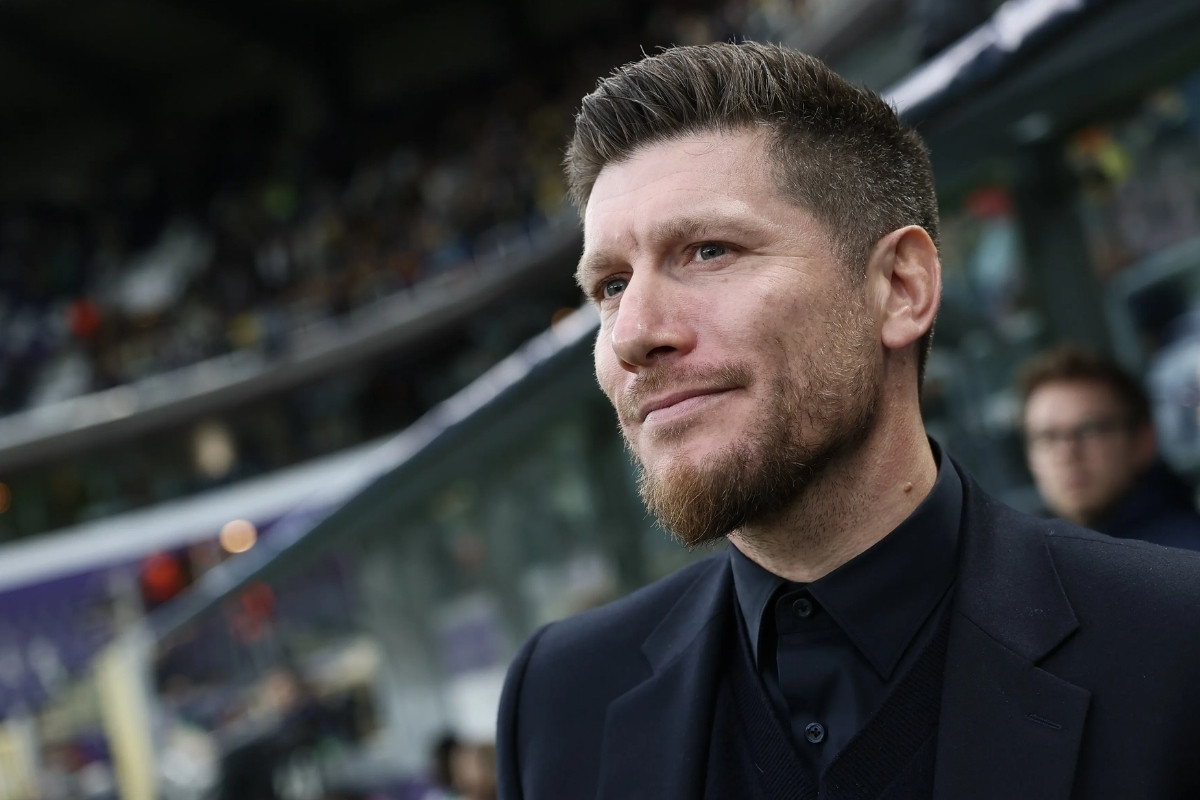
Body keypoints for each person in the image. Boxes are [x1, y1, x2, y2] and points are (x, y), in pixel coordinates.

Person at [495, 41, 1200, 800]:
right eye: (610, 286)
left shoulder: (1174, 643)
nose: (633, 334)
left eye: (708, 251)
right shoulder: (560, 701)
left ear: (899, 287)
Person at [1020, 345, 1200, 550]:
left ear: (1143, 441)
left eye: (1089, 430)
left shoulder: (1185, 555)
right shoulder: (1034, 552)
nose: (1066, 454)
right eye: (1047, 437)